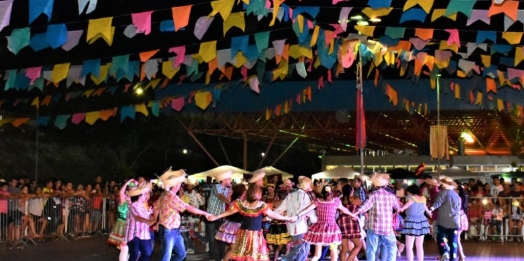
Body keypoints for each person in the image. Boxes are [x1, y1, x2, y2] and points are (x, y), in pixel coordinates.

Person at [208, 184, 296, 261]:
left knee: (247, 254)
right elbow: (274, 215)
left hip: (248, 234)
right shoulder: (248, 204)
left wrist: (287, 218)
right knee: (246, 254)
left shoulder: (251, 204)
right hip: (249, 235)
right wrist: (216, 216)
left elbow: (274, 215)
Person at [154, 168, 212, 261]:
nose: (180, 186)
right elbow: (188, 207)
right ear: (176, 185)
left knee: (181, 254)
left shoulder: (165, 194)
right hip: (169, 230)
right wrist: (205, 213)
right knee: (167, 257)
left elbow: (155, 206)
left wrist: (155, 219)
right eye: (180, 184)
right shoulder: (171, 196)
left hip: (173, 230)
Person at [347, 173, 401, 261]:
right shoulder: (391, 196)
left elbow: (365, 207)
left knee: (371, 250)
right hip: (387, 227)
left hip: (374, 227)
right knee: (391, 247)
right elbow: (398, 208)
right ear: (385, 184)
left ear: (375, 185)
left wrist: (355, 214)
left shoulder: (373, 195)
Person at [296, 185, 353, 261]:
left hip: (320, 229)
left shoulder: (318, 201)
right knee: (333, 254)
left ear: (323, 193)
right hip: (332, 229)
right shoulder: (335, 201)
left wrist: (298, 215)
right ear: (332, 193)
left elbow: (307, 209)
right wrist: (352, 215)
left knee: (317, 255)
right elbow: (344, 210)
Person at [274, 176, 317, 261]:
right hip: (301, 227)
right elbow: (309, 211)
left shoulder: (291, 195)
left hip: (291, 227)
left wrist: (269, 216)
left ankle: (285, 258)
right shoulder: (304, 196)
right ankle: (285, 259)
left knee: (297, 249)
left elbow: (280, 208)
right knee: (302, 251)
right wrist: (315, 221)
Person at [428, 176, 461, 261]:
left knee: (440, 237)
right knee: (453, 241)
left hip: (444, 221)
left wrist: (431, 209)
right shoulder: (456, 194)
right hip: (455, 221)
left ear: (444, 184)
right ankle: (453, 258)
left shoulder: (443, 192)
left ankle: (444, 252)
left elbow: (438, 202)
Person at [398, 185, 431, 261]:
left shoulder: (410, 198)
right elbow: (425, 208)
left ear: (410, 191)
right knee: (419, 245)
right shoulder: (423, 198)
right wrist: (429, 212)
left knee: (409, 245)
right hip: (422, 221)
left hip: (411, 221)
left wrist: (402, 208)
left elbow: (407, 205)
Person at [215, 184, 247, 261]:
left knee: (232, 247)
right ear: (242, 191)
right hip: (235, 225)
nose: (246, 191)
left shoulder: (235, 200)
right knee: (233, 248)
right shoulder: (238, 201)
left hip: (232, 224)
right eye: (245, 190)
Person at [206, 170, 232, 261]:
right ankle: (212, 255)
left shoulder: (227, 189)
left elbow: (228, 197)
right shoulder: (216, 186)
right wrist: (230, 202)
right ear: (224, 179)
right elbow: (220, 196)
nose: (231, 181)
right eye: (229, 179)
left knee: (221, 237)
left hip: (220, 216)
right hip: (212, 215)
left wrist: (230, 191)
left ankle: (221, 255)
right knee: (212, 237)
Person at [125, 183, 155, 261]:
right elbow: (137, 217)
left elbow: (146, 218)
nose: (146, 196)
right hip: (133, 235)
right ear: (139, 196)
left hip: (143, 234)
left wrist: (151, 216)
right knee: (134, 254)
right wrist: (149, 221)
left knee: (147, 253)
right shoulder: (132, 205)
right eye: (145, 194)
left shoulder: (143, 206)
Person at [108, 179, 135, 261]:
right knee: (124, 246)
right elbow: (120, 192)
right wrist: (126, 183)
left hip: (131, 224)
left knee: (129, 247)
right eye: (132, 189)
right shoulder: (124, 198)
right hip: (123, 224)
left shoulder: (133, 200)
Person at [337, 185, 362, 261]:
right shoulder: (356, 199)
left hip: (342, 223)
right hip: (352, 222)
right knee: (358, 245)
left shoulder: (340, 200)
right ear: (351, 191)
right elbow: (362, 208)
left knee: (344, 249)